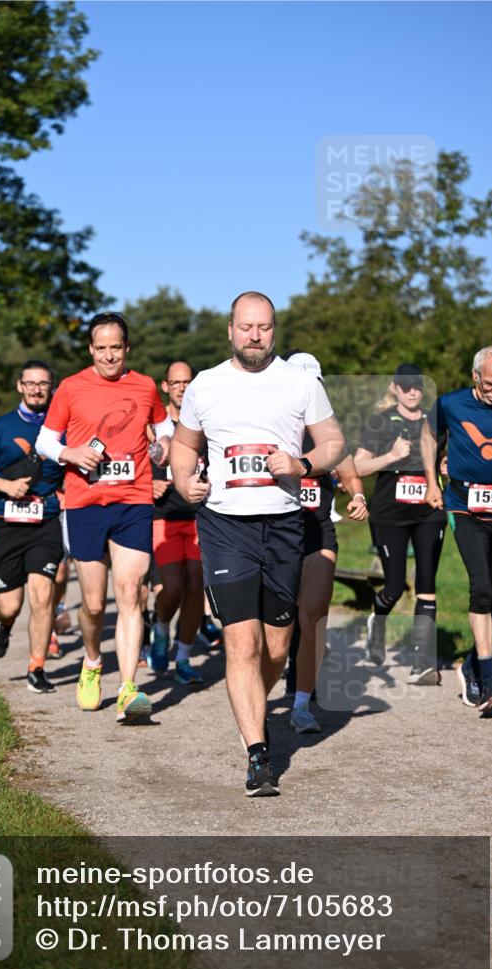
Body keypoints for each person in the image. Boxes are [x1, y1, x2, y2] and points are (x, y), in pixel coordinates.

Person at [170, 291, 345, 797]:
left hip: (285, 525)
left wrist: (303, 465)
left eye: (264, 327)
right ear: (230, 330)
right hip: (226, 525)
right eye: (246, 327)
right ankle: (258, 756)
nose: (254, 335)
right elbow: (185, 445)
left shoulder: (300, 382)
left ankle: (256, 702)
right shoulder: (206, 384)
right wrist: (184, 482)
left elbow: (333, 443)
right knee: (241, 642)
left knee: (276, 644)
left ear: (274, 330)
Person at [35, 311, 173, 723]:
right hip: (85, 503)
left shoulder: (145, 385)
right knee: (94, 605)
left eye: (116, 348)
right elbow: (45, 439)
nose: (110, 356)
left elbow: (164, 427)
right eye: (102, 348)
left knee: (130, 593)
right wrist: (69, 454)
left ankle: (129, 688)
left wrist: (161, 448)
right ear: (91, 349)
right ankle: (93, 660)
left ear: (126, 348)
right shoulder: (72, 388)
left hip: (133, 501)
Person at [282, 351, 369, 733]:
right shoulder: (271, 425)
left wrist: (357, 496)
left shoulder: (327, 432)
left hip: (317, 531)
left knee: (314, 615)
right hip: (274, 534)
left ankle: (302, 704)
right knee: (276, 625)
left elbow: (349, 474)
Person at [421, 345, 492, 713]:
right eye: (490, 383)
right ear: (475, 376)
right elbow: (428, 436)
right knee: (481, 586)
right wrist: (430, 480)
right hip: (466, 507)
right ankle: (489, 680)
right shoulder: (450, 404)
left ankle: (471, 664)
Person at [0, 360, 65, 694]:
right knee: (11, 603)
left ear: (52, 387)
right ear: (19, 386)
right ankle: (4, 624)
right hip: (6, 522)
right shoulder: (0, 427)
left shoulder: (62, 425)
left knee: (42, 596)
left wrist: (67, 492)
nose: (37, 389)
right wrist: (6, 487)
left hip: (46, 521)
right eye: (31, 383)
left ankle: (36, 667)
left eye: (43, 383)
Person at [354, 364, 447, 685]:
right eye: (405, 386)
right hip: (388, 514)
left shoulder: (433, 423)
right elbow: (359, 466)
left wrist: (445, 466)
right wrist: (391, 456)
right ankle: (377, 621)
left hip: (428, 512)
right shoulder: (381, 421)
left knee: (426, 584)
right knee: (393, 587)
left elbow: (446, 459)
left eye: (417, 386)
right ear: (395, 388)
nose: (412, 391)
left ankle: (423, 663)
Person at [149, 360, 206, 684]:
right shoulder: (154, 426)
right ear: (165, 386)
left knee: (196, 584)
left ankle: (183, 657)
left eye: (188, 381)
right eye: (176, 382)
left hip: (199, 518)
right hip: (164, 517)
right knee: (171, 588)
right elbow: (135, 466)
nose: (183, 387)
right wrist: (147, 486)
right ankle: (160, 629)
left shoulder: (205, 423)